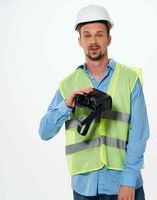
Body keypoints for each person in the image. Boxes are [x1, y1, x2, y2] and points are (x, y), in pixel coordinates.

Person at [39, 4, 150, 200]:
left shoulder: (129, 79)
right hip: (84, 188)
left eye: (99, 34)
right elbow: (44, 132)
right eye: (87, 35)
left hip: (122, 186)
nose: (93, 41)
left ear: (109, 38)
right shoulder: (68, 84)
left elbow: (139, 134)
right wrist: (66, 104)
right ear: (80, 41)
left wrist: (128, 180)